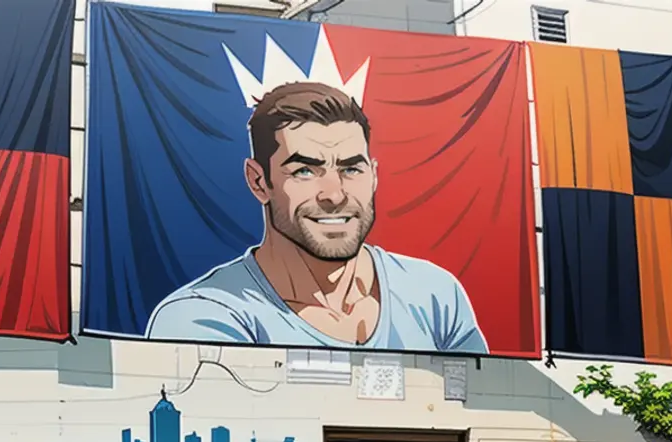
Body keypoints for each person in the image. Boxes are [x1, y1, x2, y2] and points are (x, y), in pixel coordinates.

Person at [144, 81, 488, 354]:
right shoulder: (202, 316)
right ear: (258, 181)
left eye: (352, 168)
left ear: (374, 177)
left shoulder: (434, 293)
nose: (334, 194)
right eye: (305, 171)